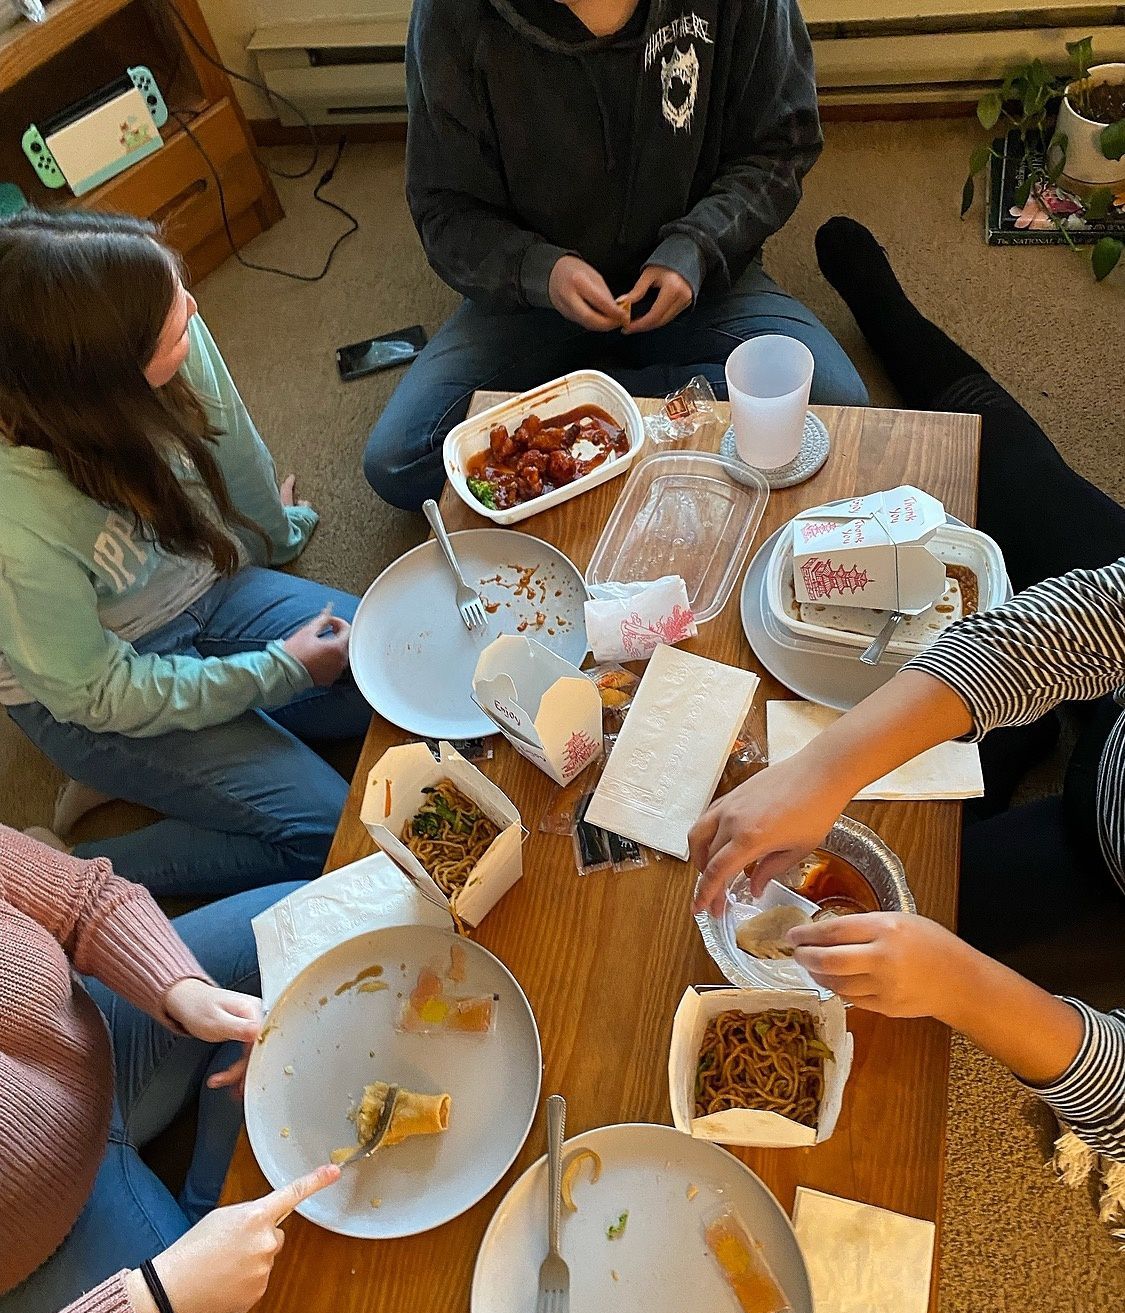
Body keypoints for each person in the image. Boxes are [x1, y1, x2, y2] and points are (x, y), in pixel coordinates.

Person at [689, 216, 1125, 1171]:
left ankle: (1011, 762)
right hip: (1114, 723)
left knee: (887, 919)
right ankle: (881, 304)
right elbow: (1072, 626)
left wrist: (965, 989)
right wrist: (822, 768)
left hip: (1104, 869)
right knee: (1008, 470)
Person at [363, 0, 870, 512]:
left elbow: (781, 146)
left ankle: (590, 400)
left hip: (700, 278)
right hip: (531, 301)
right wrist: (539, 270)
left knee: (835, 405)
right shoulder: (450, 15)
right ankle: (618, 404)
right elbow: (444, 205)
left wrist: (697, 246)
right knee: (400, 461)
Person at [0, 210, 370, 898]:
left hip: (200, 588)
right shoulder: (15, 522)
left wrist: (274, 532)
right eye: (173, 324)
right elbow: (97, 691)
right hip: (85, 690)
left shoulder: (163, 320)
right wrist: (277, 672)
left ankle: (172, 769)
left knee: (396, 667)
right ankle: (60, 876)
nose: (195, 312)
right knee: (327, 832)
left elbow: (231, 442)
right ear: (101, 384)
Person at [0, 827, 341, 1313]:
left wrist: (178, 988)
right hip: (33, 1257)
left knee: (321, 926)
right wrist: (155, 1299)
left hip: (93, 1050)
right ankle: (210, 1187)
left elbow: (78, 897)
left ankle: (211, 1172)